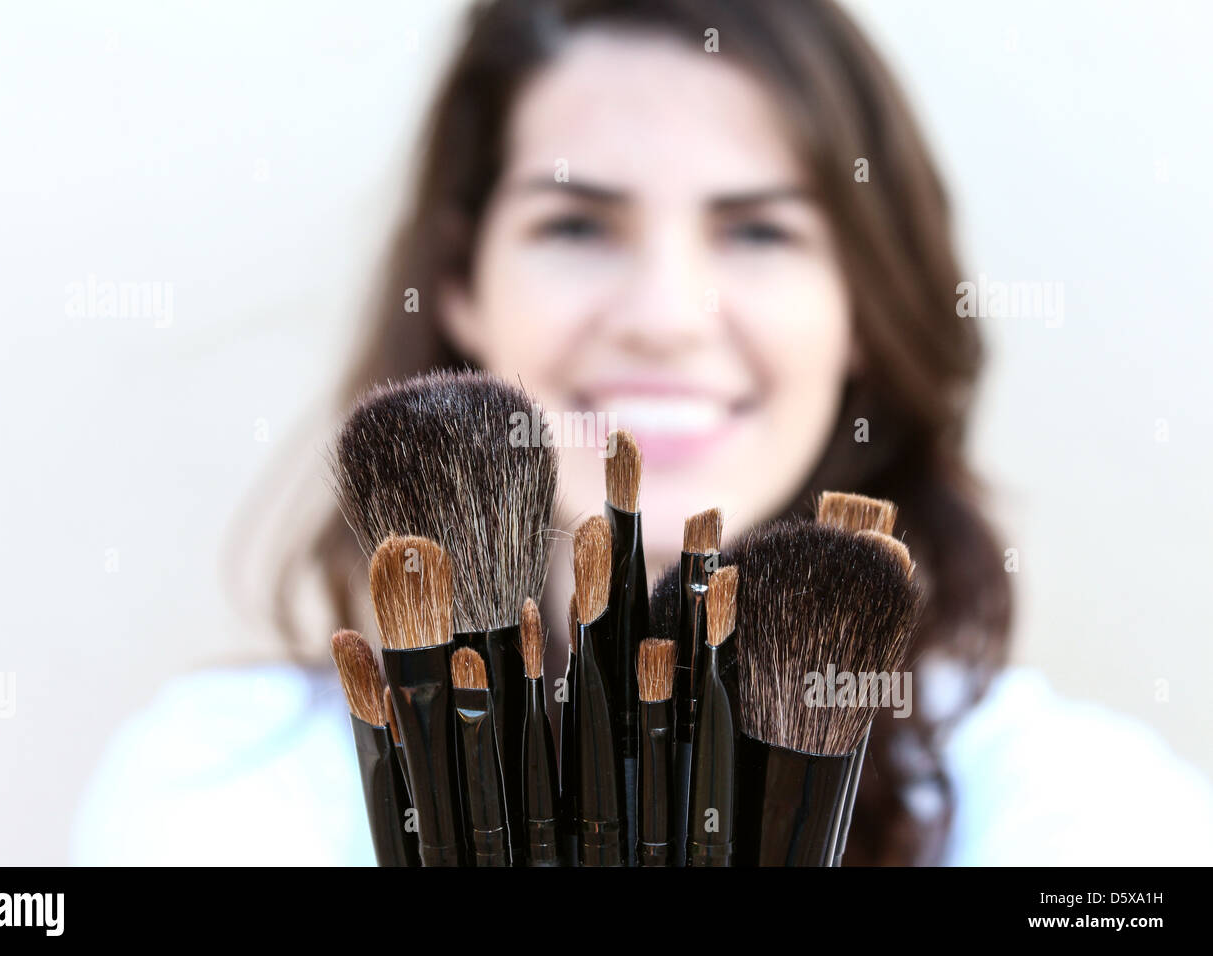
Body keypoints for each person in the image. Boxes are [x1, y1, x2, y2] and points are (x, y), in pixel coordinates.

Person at [73, 0, 1213, 865]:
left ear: (862, 308)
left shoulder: (1088, 814)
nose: (668, 315)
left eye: (759, 233)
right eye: (575, 222)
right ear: (462, 283)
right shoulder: (224, 788)